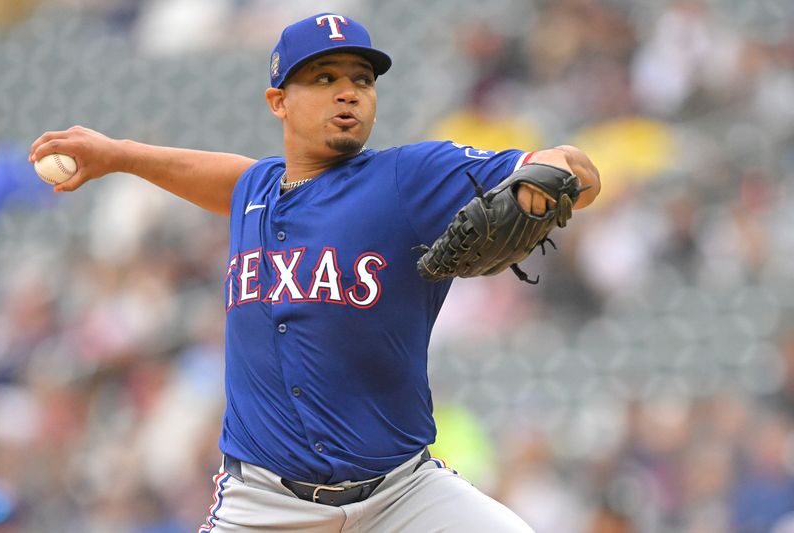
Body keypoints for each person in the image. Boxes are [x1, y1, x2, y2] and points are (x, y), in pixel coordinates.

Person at [30, 12, 600, 533]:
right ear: (279, 101)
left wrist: (539, 184)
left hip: (403, 495)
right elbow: (225, 176)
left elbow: (574, 166)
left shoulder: (408, 178)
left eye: (362, 79)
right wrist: (120, 155)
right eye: (324, 78)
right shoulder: (255, 190)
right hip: (263, 505)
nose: (348, 92)